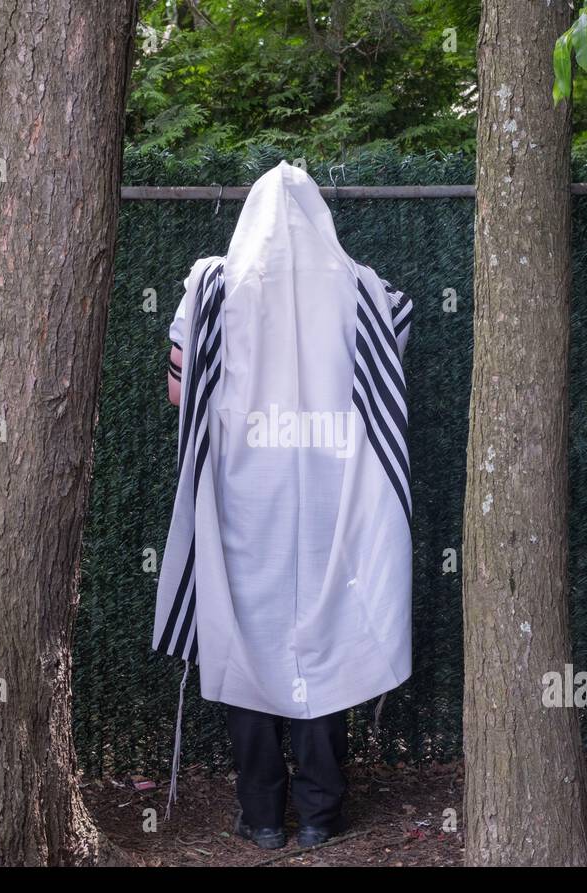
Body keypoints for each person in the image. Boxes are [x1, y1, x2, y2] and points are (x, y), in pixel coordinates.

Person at [154, 161, 413, 849]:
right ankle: (322, 815)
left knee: (242, 643)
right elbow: (388, 378)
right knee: (323, 643)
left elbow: (180, 393)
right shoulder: (366, 292)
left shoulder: (211, 284)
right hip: (333, 499)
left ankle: (263, 817)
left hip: (242, 498)